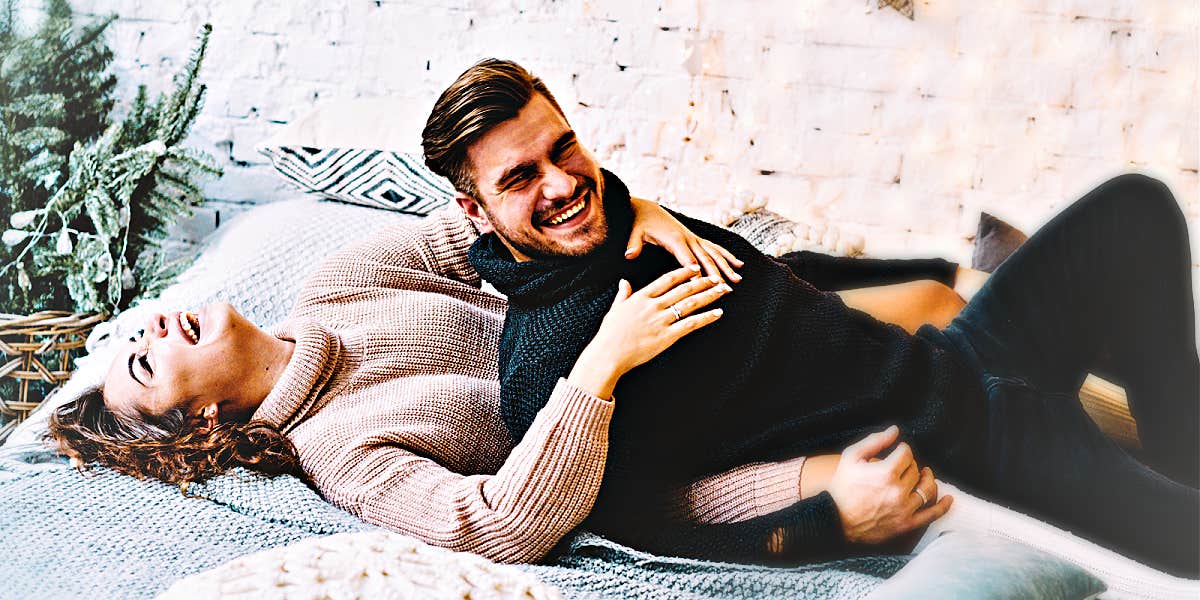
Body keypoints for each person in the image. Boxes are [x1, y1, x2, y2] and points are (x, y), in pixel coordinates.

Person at [427, 58, 1199, 576]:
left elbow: (766, 285)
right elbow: (648, 530)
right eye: (522, 178)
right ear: (474, 208)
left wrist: (646, 207)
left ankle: (1184, 446)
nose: (562, 184)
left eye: (566, 149)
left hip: (955, 358)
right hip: (966, 447)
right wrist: (827, 525)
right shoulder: (555, 367)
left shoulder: (623, 221)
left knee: (1136, 206)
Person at [45, 187, 971, 564]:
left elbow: (495, 228)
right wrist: (602, 363)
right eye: (145, 360)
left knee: (933, 297)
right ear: (199, 418)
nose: (157, 323)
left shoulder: (341, 284)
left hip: (696, 321)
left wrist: (637, 206)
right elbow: (500, 526)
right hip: (660, 439)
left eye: (139, 331)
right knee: (895, 453)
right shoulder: (341, 452)